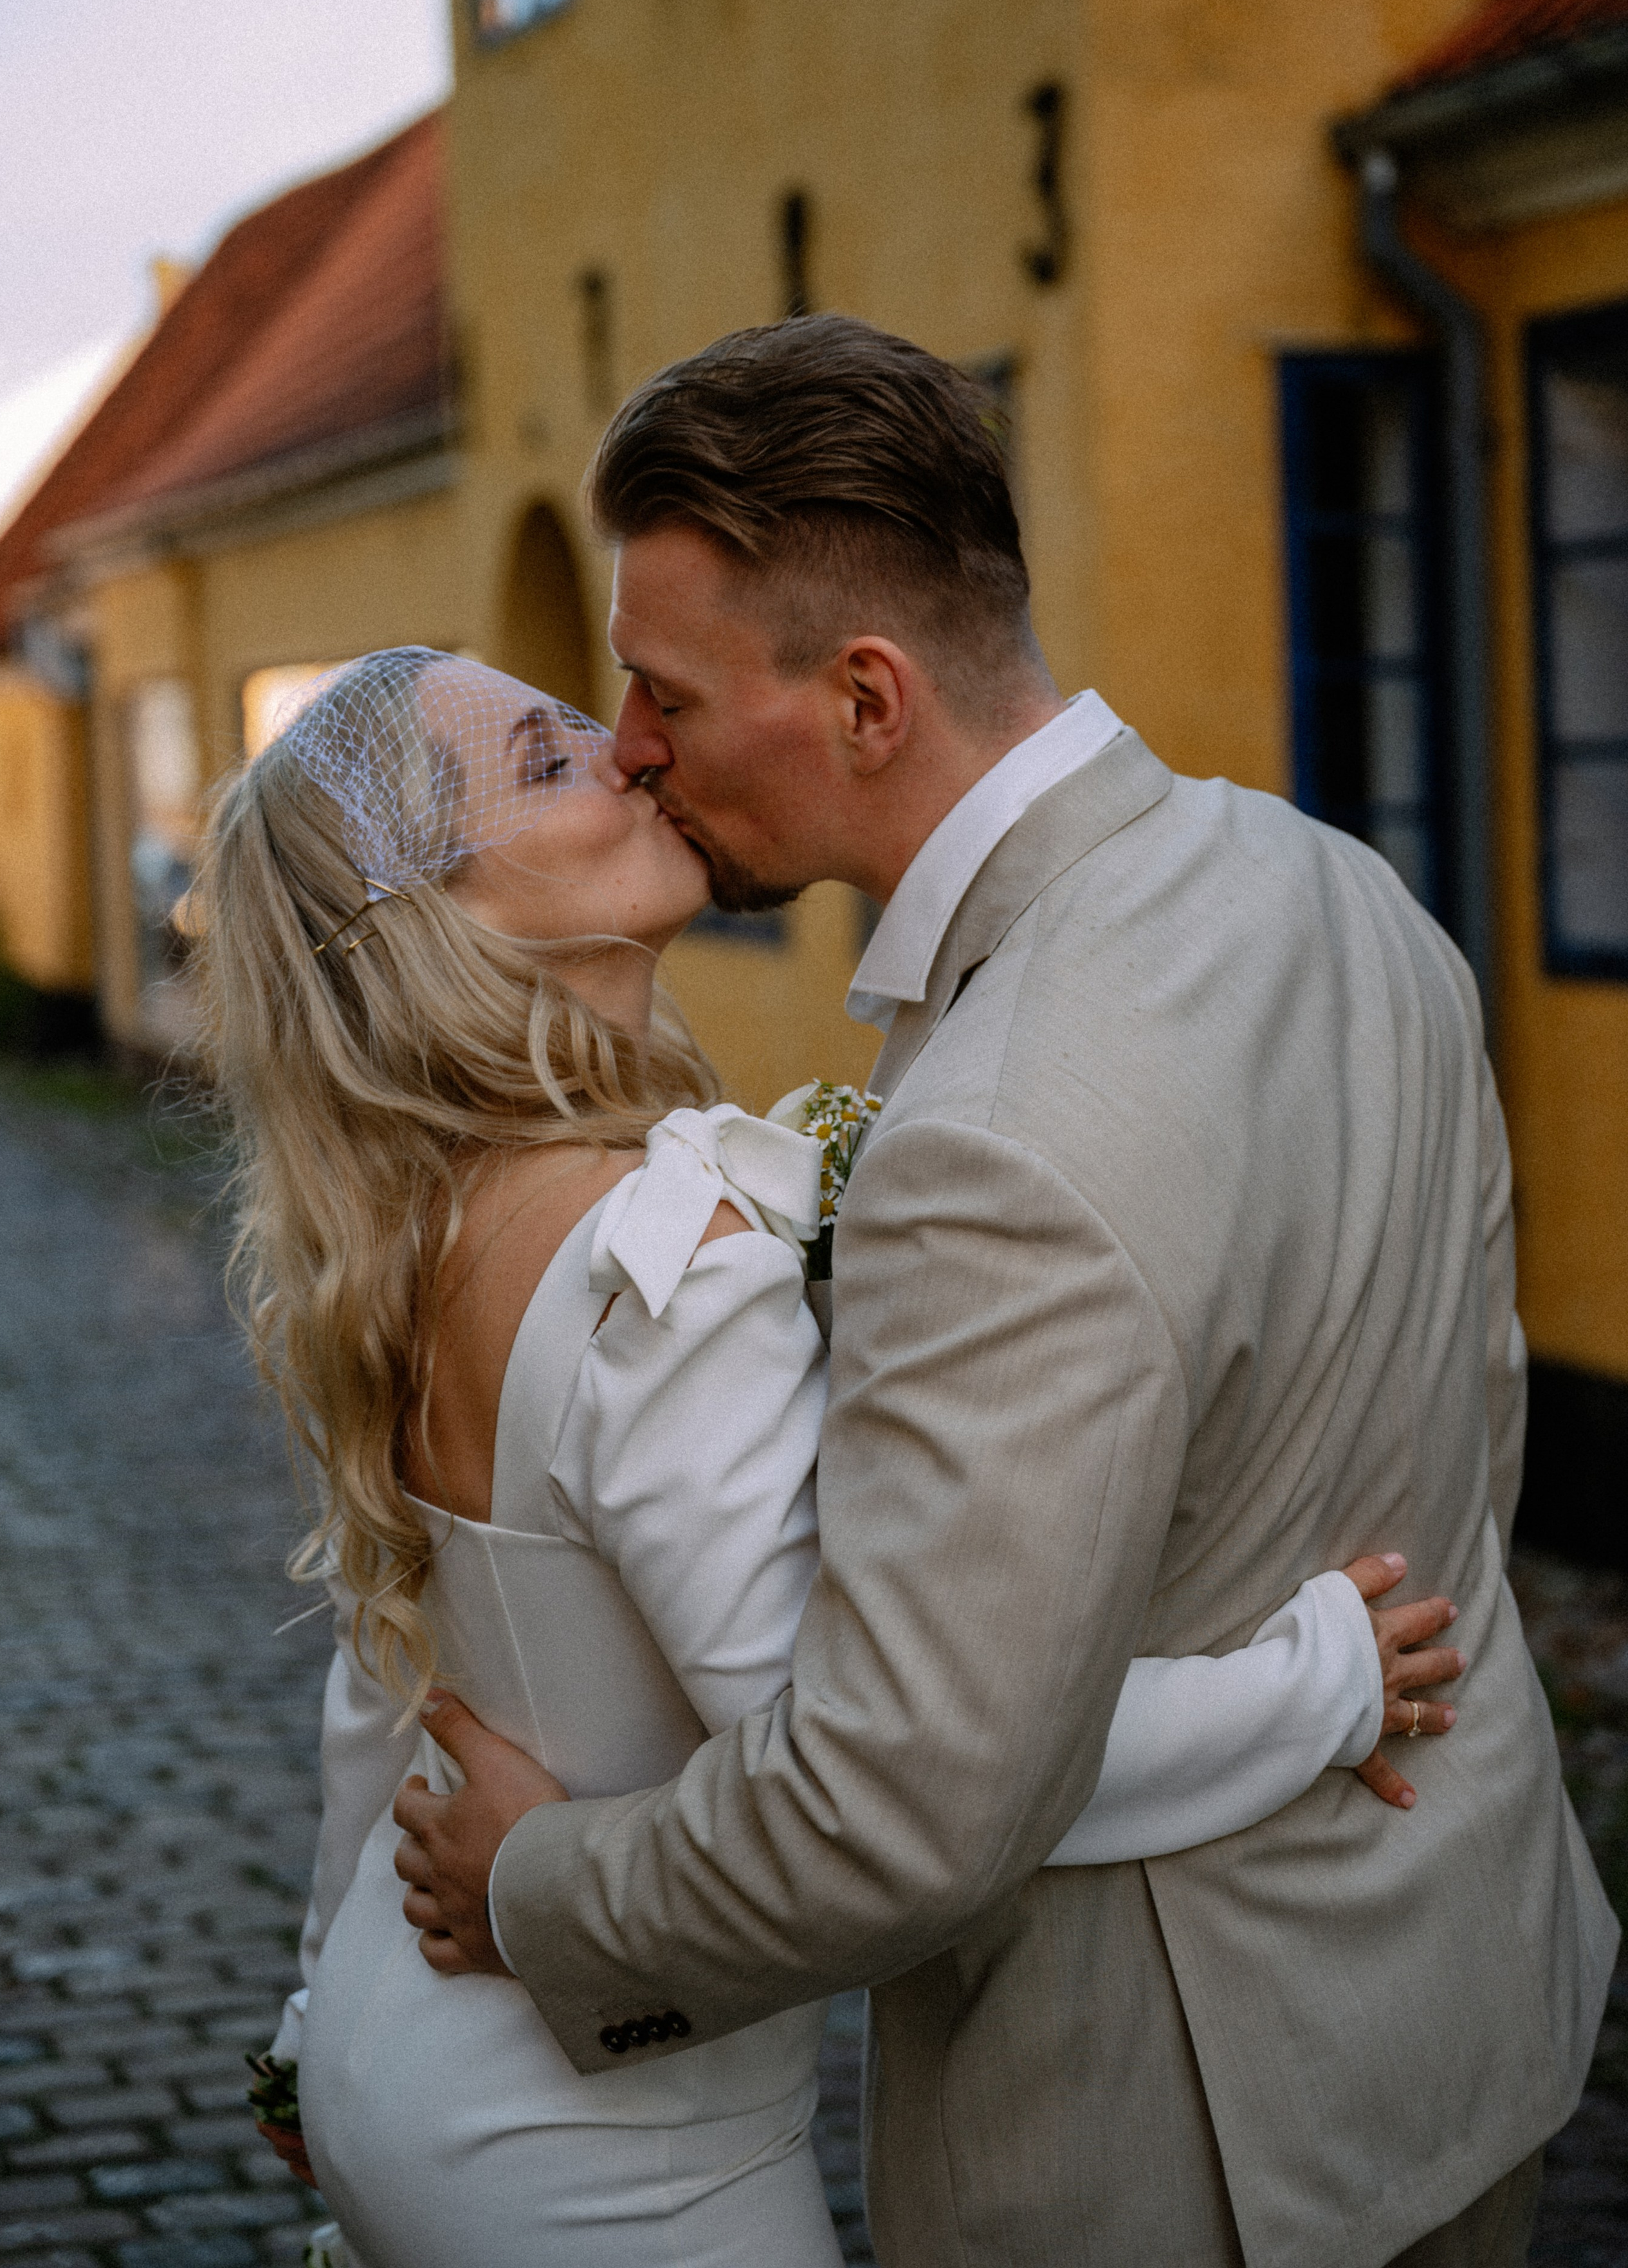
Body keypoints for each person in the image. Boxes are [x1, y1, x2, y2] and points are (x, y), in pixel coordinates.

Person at [396, 316, 1619, 2268]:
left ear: (867, 699)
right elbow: (1465, 1438)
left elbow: (894, 1810)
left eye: (664, 692)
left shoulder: (990, 1140)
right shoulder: (1345, 892)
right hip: (1471, 2014)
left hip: (1186, 2145)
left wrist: (541, 1886)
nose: (629, 746)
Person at [201, 645, 1457, 2268]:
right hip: (597, 2159)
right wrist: (1313, 1684)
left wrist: (309, 2019)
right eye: (547, 753)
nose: (628, 751)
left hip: (397, 2049)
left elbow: (382, 1702)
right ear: (448, 907)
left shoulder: (402, 1233)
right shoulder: (656, 1254)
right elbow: (890, 1761)